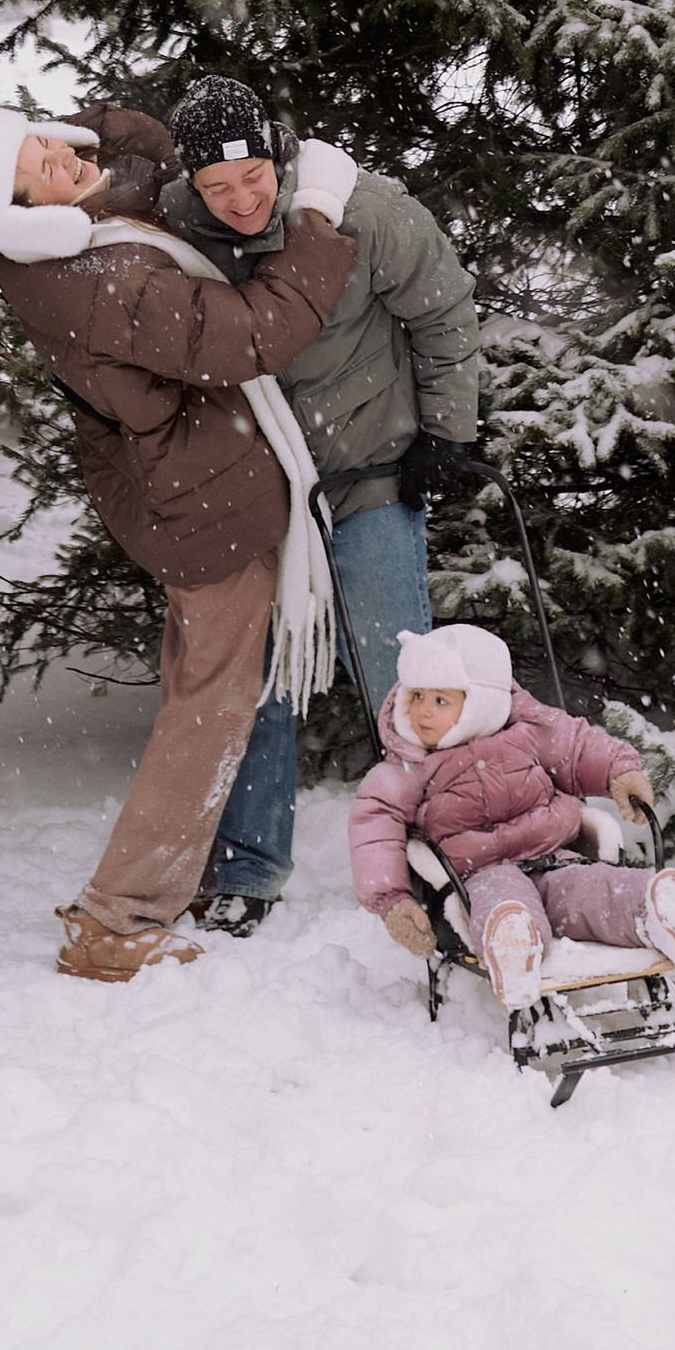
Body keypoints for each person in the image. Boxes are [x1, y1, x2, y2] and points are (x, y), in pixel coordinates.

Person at [0, 96, 359, 983]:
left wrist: (66, 131)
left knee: (199, 697)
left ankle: (160, 884)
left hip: (184, 490)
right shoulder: (103, 276)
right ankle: (118, 922)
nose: (60, 163)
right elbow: (252, 333)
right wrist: (314, 213)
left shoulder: (67, 237)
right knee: (208, 710)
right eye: (32, 173)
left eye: (44, 144)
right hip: (206, 505)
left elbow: (136, 146)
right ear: (12, 214)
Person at [160, 74, 482, 932]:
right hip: (257, 492)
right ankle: (247, 868)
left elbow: (444, 312)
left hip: (372, 470)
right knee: (255, 677)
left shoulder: (364, 212)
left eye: (252, 178)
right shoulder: (175, 237)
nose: (237, 200)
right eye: (215, 187)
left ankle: (444, 851)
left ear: (279, 154)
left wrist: (445, 434)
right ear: (191, 185)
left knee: (404, 673)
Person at [350, 624, 675, 1012]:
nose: (422, 711)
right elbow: (375, 825)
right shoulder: (408, 764)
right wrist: (392, 901)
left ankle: (658, 913)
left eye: (440, 700)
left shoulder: (526, 729)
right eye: (416, 695)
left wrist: (620, 772)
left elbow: (578, 745)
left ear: (481, 702)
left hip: (555, 858)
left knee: (594, 888)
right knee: (504, 902)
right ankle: (514, 948)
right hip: (478, 874)